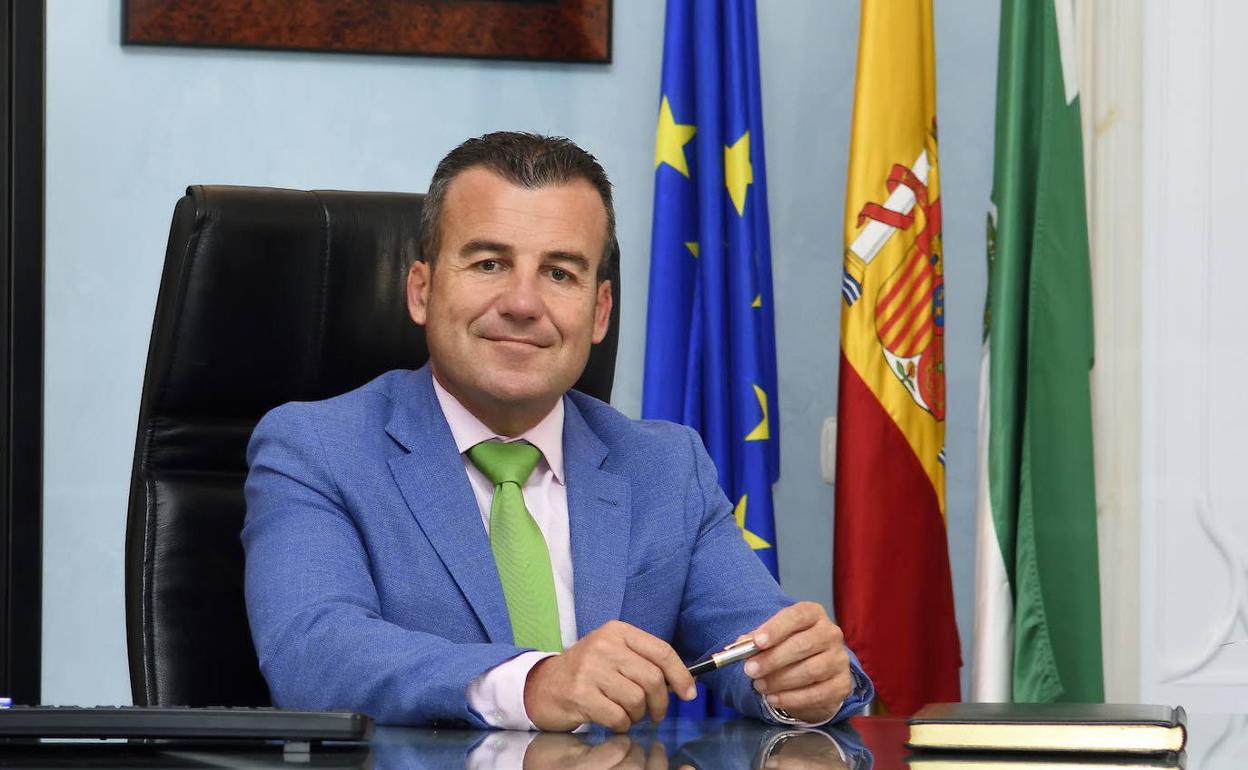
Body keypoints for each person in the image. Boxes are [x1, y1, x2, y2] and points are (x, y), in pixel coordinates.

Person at [243, 132, 873, 732]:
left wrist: (806, 682)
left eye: (560, 273)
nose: (522, 303)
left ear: (599, 312)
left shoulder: (664, 466)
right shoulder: (316, 450)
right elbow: (310, 652)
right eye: (490, 263)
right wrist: (532, 683)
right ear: (421, 290)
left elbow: (760, 642)